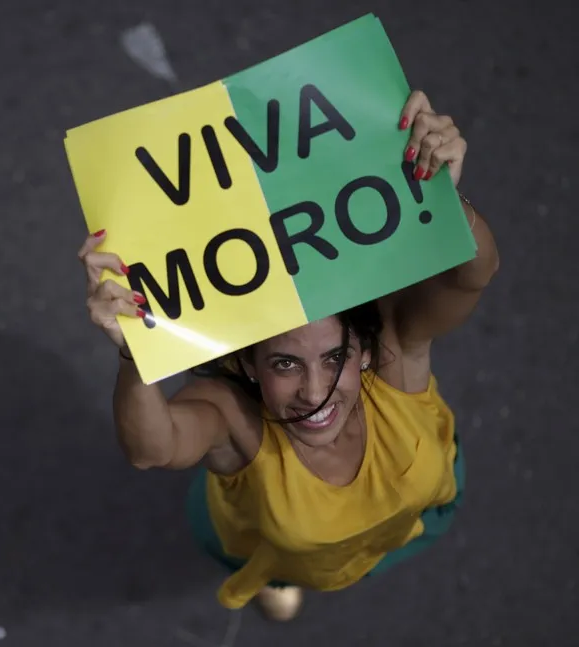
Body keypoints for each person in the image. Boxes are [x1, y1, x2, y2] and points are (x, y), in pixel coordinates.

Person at [77, 90, 499, 621]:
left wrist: (442, 195)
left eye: (333, 357)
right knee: (283, 569)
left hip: (408, 519)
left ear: (366, 349)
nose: (316, 392)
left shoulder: (396, 355)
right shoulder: (233, 417)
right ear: (248, 365)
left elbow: (472, 271)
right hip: (290, 553)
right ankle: (273, 578)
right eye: (284, 364)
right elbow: (152, 449)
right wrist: (135, 356)